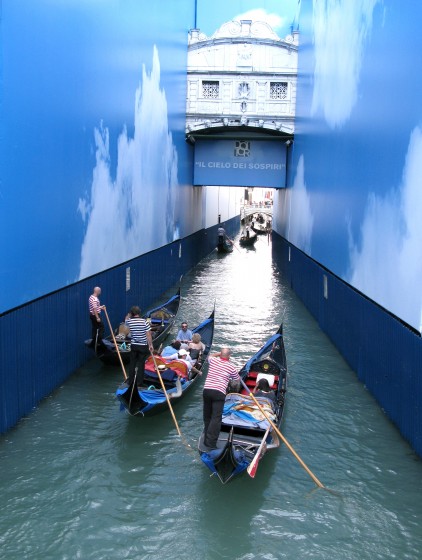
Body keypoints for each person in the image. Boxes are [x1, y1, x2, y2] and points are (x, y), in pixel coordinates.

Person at [202, 347, 240, 449]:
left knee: (207, 416)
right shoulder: (231, 367)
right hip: (219, 393)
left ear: (220, 354)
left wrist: (219, 354)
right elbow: (237, 380)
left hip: (207, 391)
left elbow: (209, 356)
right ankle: (211, 443)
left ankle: (206, 438)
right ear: (229, 356)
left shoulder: (213, 361)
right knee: (216, 417)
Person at [125, 306, 153, 387]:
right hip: (143, 346)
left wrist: (129, 314)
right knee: (141, 364)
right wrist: (150, 345)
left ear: (132, 313)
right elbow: (148, 335)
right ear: (139, 313)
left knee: (132, 363)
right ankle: (139, 383)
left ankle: (130, 382)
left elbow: (126, 319)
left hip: (134, 345)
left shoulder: (129, 322)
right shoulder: (144, 322)